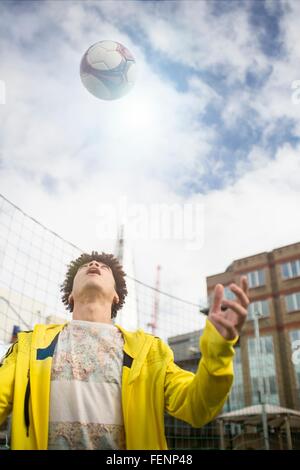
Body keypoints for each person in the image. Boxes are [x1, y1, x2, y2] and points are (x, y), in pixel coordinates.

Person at [0, 251, 249, 450]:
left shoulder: (151, 352)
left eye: (104, 267)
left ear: (117, 296)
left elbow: (196, 407)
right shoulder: (29, 346)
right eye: (85, 266)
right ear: (70, 295)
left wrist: (218, 350)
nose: (94, 263)